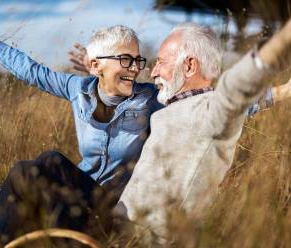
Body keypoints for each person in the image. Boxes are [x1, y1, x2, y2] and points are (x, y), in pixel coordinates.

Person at [0, 11, 284, 230]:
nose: (138, 69)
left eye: (140, 60)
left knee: (36, 170)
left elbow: (221, 103)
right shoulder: (78, 89)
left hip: (113, 206)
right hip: (78, 187)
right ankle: (16, 207)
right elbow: (33, 72)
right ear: (96, 65)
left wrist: (280, 92)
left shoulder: (151, 100)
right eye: (126, 60)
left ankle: (23, 207)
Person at [116, 21, 291, 246]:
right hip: (118, 220)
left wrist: (283, 40)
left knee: (54, 166)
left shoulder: (208, 111)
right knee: (59, 169)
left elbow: (234, 93)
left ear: (189, 66)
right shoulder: (177, 107)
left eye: (160, 62)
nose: (154, 72)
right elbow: (239, 104)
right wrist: (281, 92)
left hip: (142, 238)